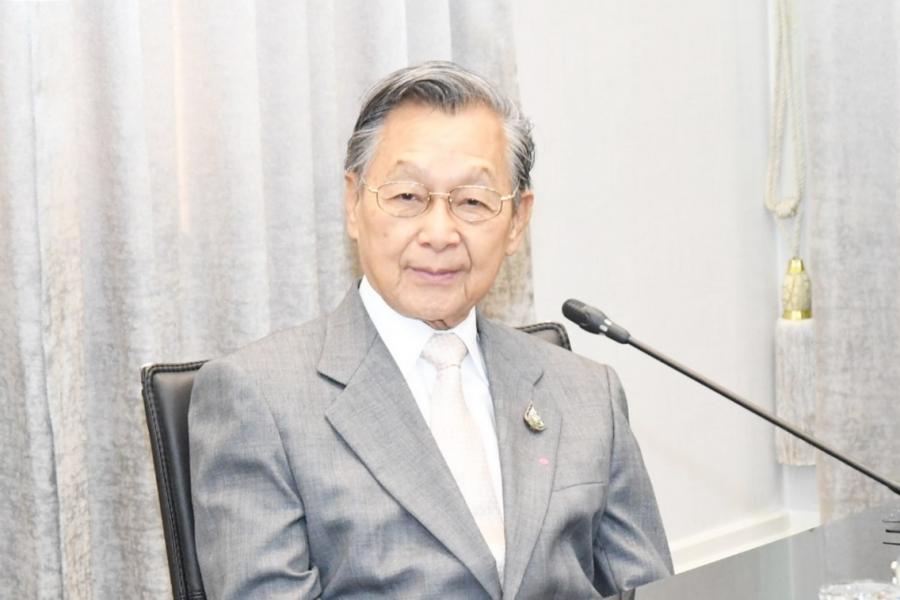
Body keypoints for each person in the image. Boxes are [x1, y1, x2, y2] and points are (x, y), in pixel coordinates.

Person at [189, 61, 672, 599]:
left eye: (473, 202)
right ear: (353, 204)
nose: (439, 234)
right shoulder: (259, 399)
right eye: (407, 197)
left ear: (517, 221)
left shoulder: (587, 393)